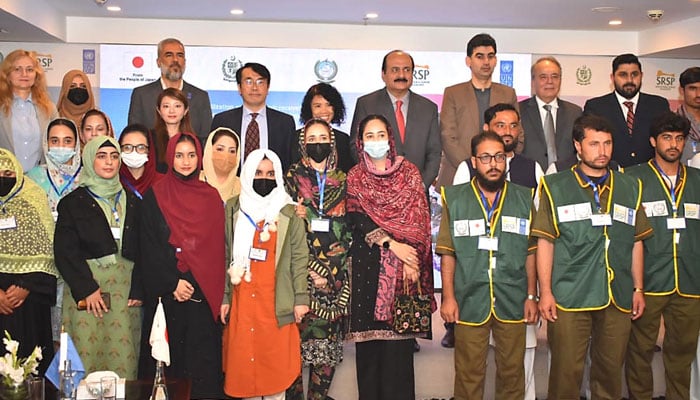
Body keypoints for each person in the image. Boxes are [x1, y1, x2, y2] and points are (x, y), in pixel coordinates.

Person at [531, 114, 653, 399]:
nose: (603, 151)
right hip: (570, 294)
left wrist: (638, 288)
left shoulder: (630, 187)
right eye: (594, 143)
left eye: (608, 143)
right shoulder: (554, 186)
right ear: (578, 145)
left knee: (610, 373)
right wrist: (544, 292)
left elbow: (636, 241)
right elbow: (545, 242)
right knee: (565, 374)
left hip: (617, 294)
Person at [451, 104, 542, 400]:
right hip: (469, 298)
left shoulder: (523, 197)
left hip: (513, 297)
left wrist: (532, 295)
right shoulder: (456, 198)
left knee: (512, 373)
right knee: (468, 374)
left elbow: (531, 250)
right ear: (474, 161)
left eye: (499, 158)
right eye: (486, 158)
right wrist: (448, 297)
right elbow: (447, 251)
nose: (494, 164)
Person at [346, 114, 435, 399]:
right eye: (369, 136)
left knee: (399, 361)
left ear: (390, 138)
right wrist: (390, 244)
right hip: (368, 272)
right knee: (370, 361)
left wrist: (411, 261)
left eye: (380, 135)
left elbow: (420, 219)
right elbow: (356, 219)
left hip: (404, 275)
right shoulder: (355, 177)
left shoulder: (409, 173)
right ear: (360, 143)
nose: (376, 141)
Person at [137, 132, 224, 398]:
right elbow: (147, 247)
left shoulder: (211, 197)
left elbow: (217, 251)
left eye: (191, 155)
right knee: (166, 375)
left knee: (202, 377)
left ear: (199, 158)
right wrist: (172, 282)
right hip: (167, 300)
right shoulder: (155, 196)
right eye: (179, 155)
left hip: (201, 301)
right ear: (169, 157)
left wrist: (195, 285)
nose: (185, 161)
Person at [221, 149, 309, 400]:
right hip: (242, 303)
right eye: (258, 173)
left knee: (275, 381)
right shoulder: (233, 207)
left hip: (276, 305)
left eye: (271, 173)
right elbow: (226, 253)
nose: (265, 178)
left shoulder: (289, 211)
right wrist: (225, 297)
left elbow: (299, 258)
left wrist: (301, 299)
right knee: (244, 379)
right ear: (247, 173)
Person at [625, 112, 700, 400]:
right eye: (667, 138)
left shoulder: (696, 180)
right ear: (653, 141)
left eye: (679, 139)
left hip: (690, 282)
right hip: (649, 280)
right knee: (640, 350)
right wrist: (634, 284)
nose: (673, 145)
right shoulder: (633, 179)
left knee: (681, 353)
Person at [54, 136, 142, 379]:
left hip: (125, 297)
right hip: (87, 295)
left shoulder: (133, 200)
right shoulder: (73, 203)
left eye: (114, 156)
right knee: (86, 358)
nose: (109, 162)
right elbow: (65, 251)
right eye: (101, 156)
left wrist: (139, 289)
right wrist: (87, 289)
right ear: (89, 159)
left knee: (123, 361)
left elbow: (146, 248)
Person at [284, 119, 351, 399]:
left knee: (326, 350)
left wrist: (334, 270)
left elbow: (349, 225)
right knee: (294, 348)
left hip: (335, 278)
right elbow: (285, 223)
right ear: (303, 142)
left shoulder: (343, 179)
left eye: (322, 137)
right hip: (302, 274)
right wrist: (311, 269)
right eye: (311, 138)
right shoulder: (290, 177)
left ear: (332, 141)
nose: (317, 143)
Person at [0, 147, 58, 375]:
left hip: (29, 304)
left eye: (8, 173)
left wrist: (28, 287)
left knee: (30, 369)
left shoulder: (33, 197)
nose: (3, 179)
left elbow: (48, 248)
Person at [26, 118, 82, 349]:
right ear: (46, 144)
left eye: (68, 141)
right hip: (43, 271)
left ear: (77, 144)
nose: (61, 147)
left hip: (79, 267)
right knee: (48, 342)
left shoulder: (87, 176)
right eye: (55, 141)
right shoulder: (32, 179)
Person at [436, 33, 518, 189]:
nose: (486, 62)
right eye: (480, 56)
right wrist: (474, 166)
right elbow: (448, 137)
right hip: (458, 174)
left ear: (495, 60)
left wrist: (496, 164)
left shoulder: (508, 93)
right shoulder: (453, 93)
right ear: (469, 61)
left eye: (490, 56)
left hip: (499, 175)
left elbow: (517, 135)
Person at [350, 50, 441, 188]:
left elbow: (434, 153)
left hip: (417, 194)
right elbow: (356, 147)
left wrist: (421, 185)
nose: (401, 75)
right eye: (395, 70)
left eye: (407, 70)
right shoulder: (366, 104)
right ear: (383, 74)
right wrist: (377, 183)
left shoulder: (428, 108)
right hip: (377, 192)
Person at [583, 53, 670, 167]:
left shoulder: (658, 105)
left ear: (641, 76)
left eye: (634, 74)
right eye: (623, 75)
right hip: (612, 177)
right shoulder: (596, 107)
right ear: (612, 77)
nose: (630, 80)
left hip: (650, 176)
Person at [211, 62, 297, 171]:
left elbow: (289, 163)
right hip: (232, 186)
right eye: (248, 82)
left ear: (268, 87)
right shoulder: (222, 120)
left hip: (272, 185)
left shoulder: (285, 122)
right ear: (239, 88)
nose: (255, 87)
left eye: (260, 82)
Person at [128, 38, 212, 142]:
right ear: (158, 62)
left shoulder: (200, 97)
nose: (175, 60)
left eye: (180, 55)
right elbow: (133, 137)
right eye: (169, 55)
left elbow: (206, 140)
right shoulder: (141, 95)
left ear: (184, 62)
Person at [453, 103, 543, 188]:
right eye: (500, 126)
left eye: (513, 126)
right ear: (486, 128)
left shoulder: (532, 168)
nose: (508, 132)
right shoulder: (468, 168)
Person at [0, 49, 58, 171]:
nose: (24, 74)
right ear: (7, 74)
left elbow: (56, 146)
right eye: (17, 69)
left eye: (30, 69)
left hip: (39, 181)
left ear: (36, 75)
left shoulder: (49, 109)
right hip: (5, 181)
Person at [520, 56, 582, 169]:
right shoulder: (518, 111)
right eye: (543, 77)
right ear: (533, 81)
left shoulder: (575, 112)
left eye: (555, 76)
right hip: (529, 179)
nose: (550, 81)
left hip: (565, 179)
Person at [292, 83, 354, 173]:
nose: (324, 111)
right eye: (318, 106)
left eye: (329, 105)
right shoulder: (295, 138)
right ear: (309, 108)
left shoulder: (343, 139)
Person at [153, 88, 195, 173]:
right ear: (159, 111)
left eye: (177, 106)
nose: (172, 111)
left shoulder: (193, 141)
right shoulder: (149, 138)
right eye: (166, 106)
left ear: (186, 110)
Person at [118, 123, 161, 200]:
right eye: (127, 147)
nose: (134, 152)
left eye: (141, 147)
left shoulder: (163, 183)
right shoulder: (113, 183)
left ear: (149, 151)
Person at [200, 127, 240, 202]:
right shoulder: (195, 181)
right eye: (220, 149)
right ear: (209, 150)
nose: (226, 155)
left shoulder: (243, 187)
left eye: (232, 151)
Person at [678, 67, 700, 164]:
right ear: (682, 91)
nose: (698, 94)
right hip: (682, 177)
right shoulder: (672, 122)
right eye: (693, 88)